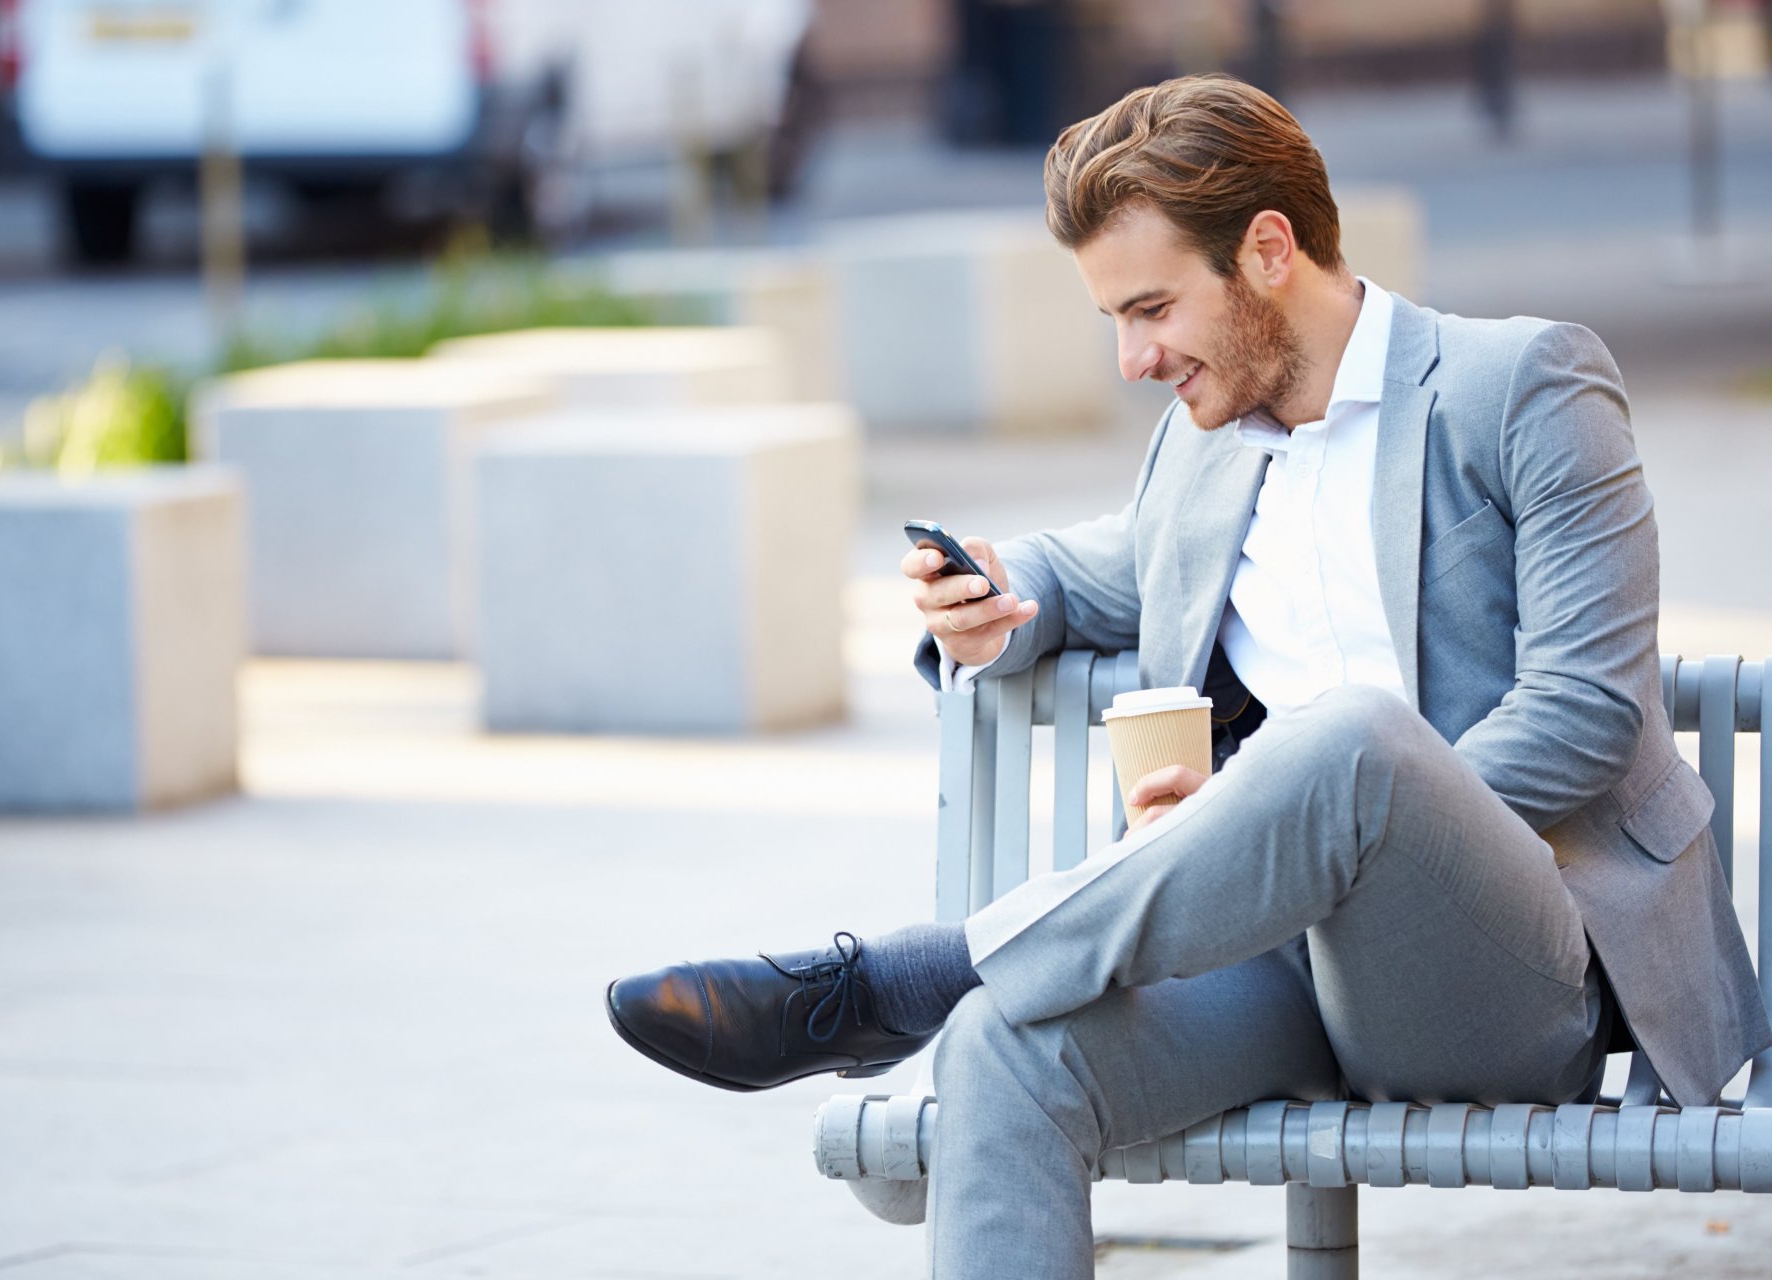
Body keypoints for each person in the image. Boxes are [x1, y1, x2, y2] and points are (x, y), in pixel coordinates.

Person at [604, 74, 1771, 1278]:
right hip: (1278, 973)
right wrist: (1001, 595)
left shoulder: (1525, 386)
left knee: (1353, 742)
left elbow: (1584, 715)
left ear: (1269, 250)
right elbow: (1108, 566)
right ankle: (962, 995)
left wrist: (1301, 811)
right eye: (1114, 318)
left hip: (1510, 976)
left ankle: (910, 976)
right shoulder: (1209, 445)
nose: (1130, 358)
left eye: (1151, 307)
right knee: (1009, 1046)